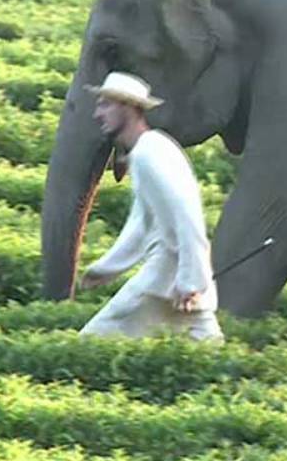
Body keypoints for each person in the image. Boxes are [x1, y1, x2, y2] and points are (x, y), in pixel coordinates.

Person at [76, 71, 223, 342]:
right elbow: (142, 223)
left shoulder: (150, 153)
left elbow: (186, 215)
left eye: (105, 104)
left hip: (165, 278)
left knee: (92, 341)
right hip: (169, 279)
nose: (98, 114)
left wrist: (191, 280)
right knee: (206, 346)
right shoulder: (147, 150)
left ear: (130, 107)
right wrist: (107, 268)